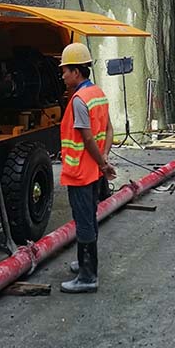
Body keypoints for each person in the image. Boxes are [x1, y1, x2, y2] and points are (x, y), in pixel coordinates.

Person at [59, 42, 115, 294]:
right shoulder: (98, 94)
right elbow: (109, 130)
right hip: (93, 171)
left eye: (65, 70)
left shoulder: (79, 100)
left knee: (83, 221)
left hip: (81, 173)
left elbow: (87, 137)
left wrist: (103, 162)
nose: (62, 76)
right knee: (89, 217)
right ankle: (84, 262)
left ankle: (87, 276)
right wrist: (103, 159)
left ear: (77, 72)